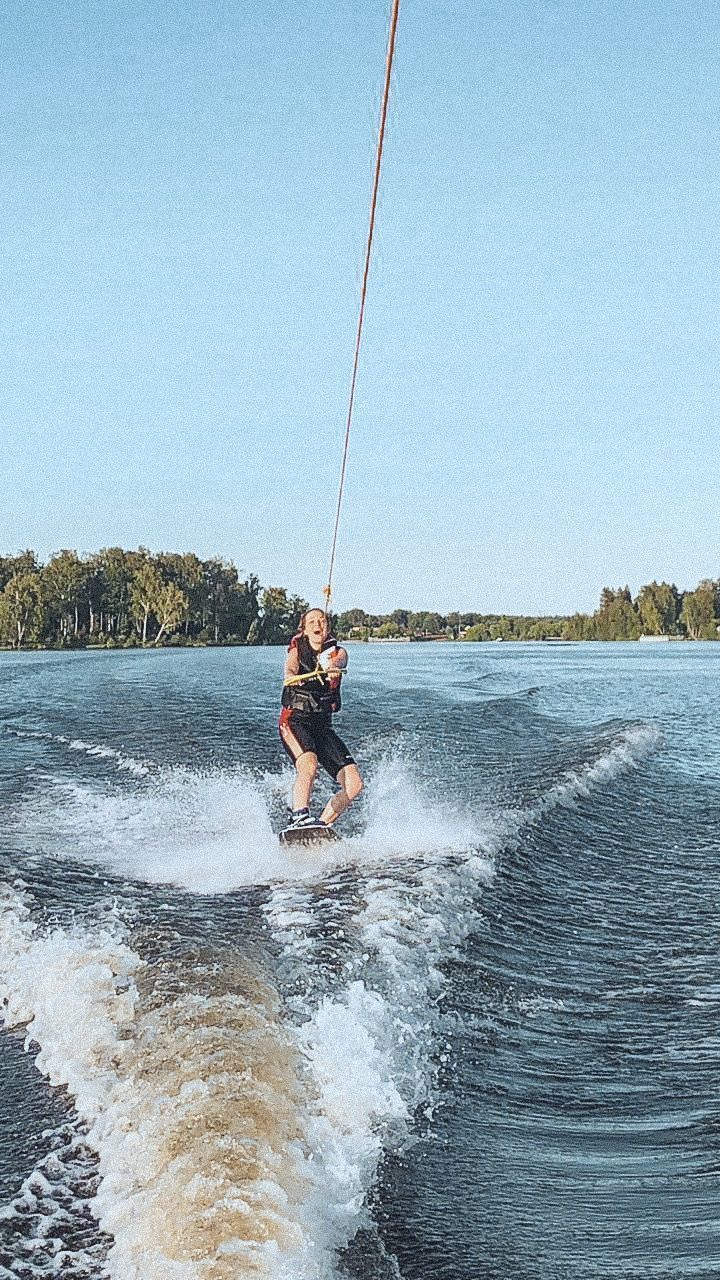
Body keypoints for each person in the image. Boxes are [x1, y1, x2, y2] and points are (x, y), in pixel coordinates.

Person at [279, 607, 363, 830]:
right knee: (309, 764)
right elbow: (289, 668)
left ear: (328, 626)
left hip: (322, 726)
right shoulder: (297, 649)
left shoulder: (338, 652)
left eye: (322, 620)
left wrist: (333, 667)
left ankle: (320, 826)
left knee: (354, 784)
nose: (318, 625)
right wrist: (291, 677)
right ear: (304, 629)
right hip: (294, 721)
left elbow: (341, 660)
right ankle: (299, 815)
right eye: (312, 622)